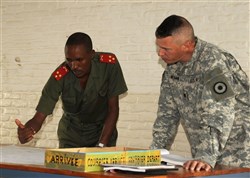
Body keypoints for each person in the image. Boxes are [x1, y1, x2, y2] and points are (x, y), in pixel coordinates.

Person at [150, 15, 250, 171]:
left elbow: (220, 112)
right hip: (205, 155)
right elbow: (167, 115)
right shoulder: (172, 68)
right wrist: (153, 155)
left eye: (166, 49)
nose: (160, 54)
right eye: (159, 47)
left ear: (188, 45)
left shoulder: (213, 62)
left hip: (240, 155)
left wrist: (206, 156)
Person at [15, 32, 128, 148]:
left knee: (102, 165)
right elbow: (39, 117)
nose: (73, 66)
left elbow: (113, 109)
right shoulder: (60, 76)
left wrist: (101, 145)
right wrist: (28, 131)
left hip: (103, 133)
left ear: (92, 54)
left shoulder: (108, 65)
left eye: (79, 60)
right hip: (72, 136)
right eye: (69, 60)